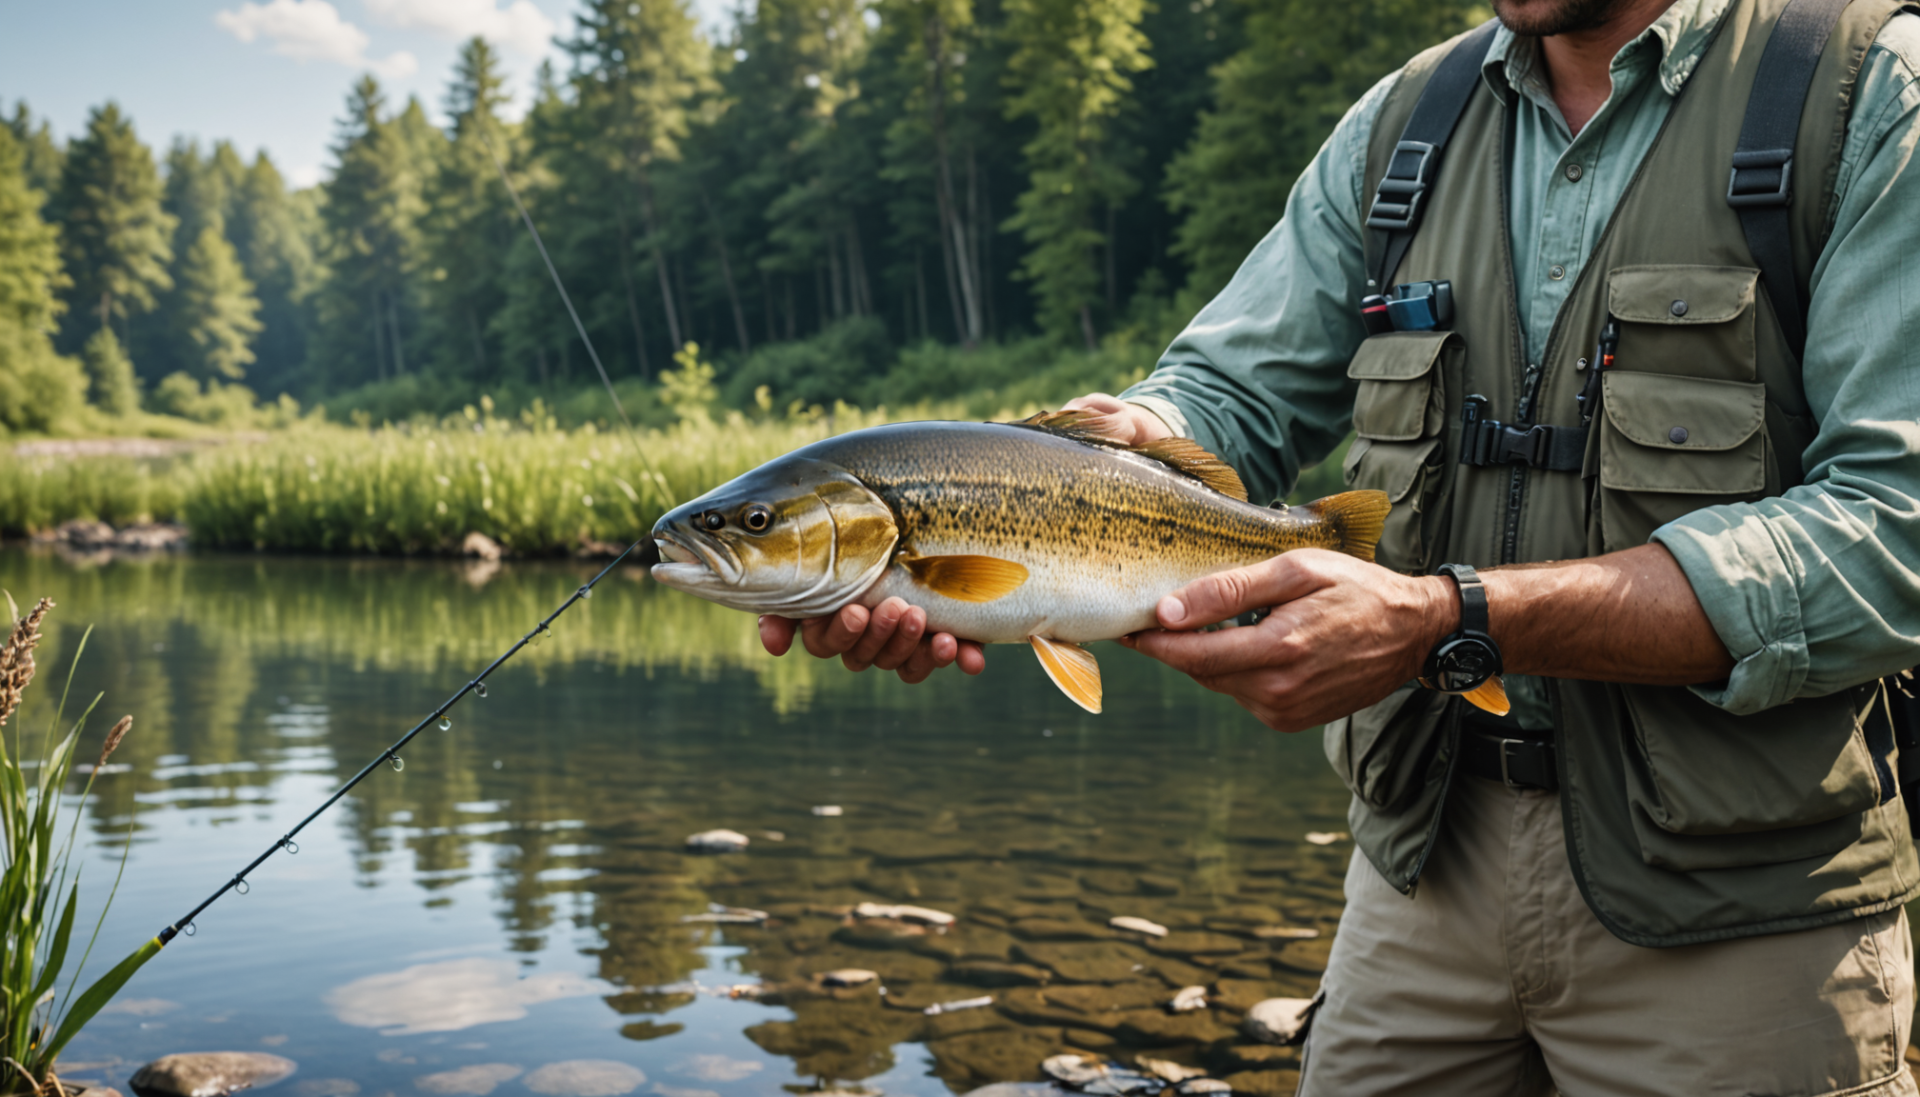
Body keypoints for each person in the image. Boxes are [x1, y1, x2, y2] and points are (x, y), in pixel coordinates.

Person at [762, 0, 1920, 1091]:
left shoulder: (1863, 88)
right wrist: (1108, 459)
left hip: (1749, 897)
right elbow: (1227, 387)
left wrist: (1457, 618)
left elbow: (1892, 528)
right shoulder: (1406, 120)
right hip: (1421, 866)